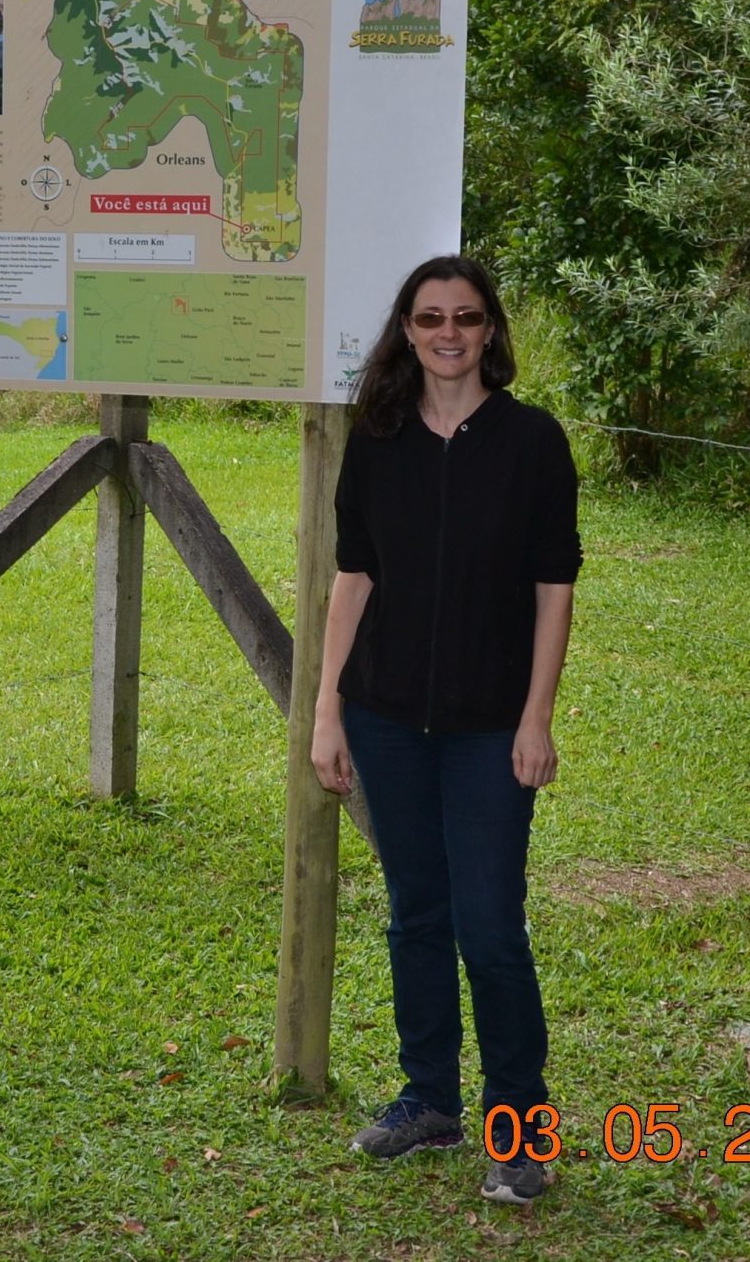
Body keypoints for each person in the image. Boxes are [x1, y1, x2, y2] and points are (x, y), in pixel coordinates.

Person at [310, 253, 580, 1206]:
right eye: (430, 318)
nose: (449, 333)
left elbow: (555, 590)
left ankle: (520, 1129)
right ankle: (429, 1099)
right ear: (409, 330)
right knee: (414, 916)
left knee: (491, 929)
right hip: (384, 720)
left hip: (487, 731)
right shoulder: (376, 439)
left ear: (492, 331)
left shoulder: (534, 443)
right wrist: (329, 710)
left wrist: (535, 716)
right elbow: (354, 579)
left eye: (467, 317)